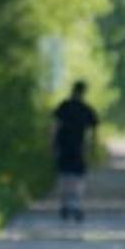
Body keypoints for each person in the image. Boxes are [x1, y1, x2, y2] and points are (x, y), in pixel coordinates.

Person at [50, 80, 100, 223]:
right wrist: (91, 147)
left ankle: (65, 204)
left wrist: (52, 144)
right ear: (84, 92)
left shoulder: (63, 106)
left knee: (64, 175)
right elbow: (93, 131)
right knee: (78, 177)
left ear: (72, 90)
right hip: (79, 147)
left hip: (63, 145)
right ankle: (76, 204)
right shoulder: (86, 109)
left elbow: (54, 127)